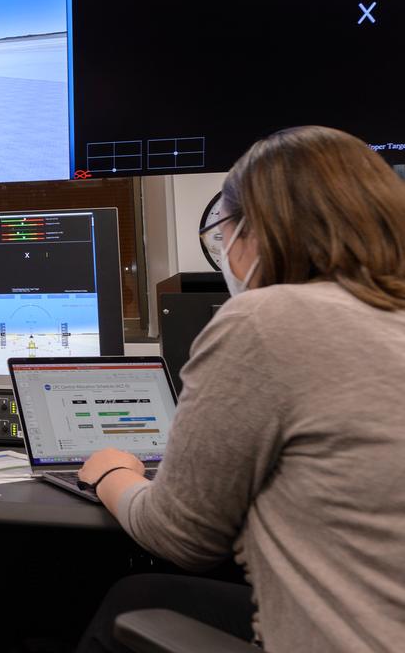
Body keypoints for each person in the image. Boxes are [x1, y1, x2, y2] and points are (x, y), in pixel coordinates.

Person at [75, 126, 405, 652]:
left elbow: (177, 534)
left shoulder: (265, 318)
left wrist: (113, 472)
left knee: (130, 603)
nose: (223, 251)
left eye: (222, 234)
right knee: (139, 594)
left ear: (253, 230)